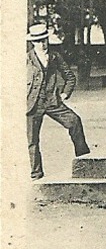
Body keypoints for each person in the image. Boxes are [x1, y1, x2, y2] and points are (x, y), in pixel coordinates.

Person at [26, 22, 90, 180]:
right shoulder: (26, 59)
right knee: (32, 140)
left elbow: (70, 76)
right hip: (32, 104)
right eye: (39, 41)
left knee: (74, 121)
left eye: (45, 39)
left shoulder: (55, 57)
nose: (43, 43)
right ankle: (36, 174)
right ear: (33, 42)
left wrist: (65, 94)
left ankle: (84, 161)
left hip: (53, 101)